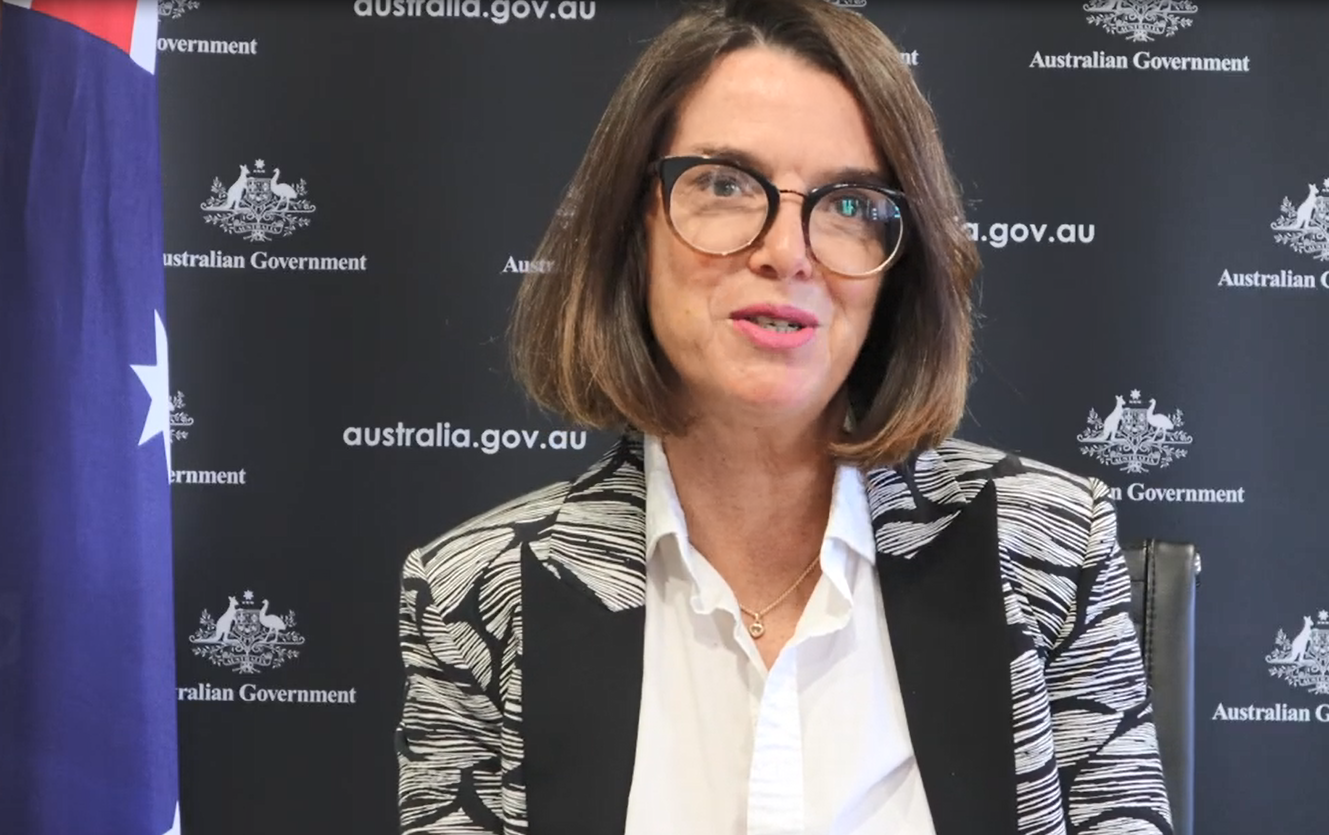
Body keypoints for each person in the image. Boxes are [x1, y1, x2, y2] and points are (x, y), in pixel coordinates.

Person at [395, 0, 1173, 832]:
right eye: (726, 185)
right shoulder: (475, 593)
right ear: (635, 226)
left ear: (893, 270)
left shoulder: (1049, 546)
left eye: (847, 202)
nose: (787, 250)